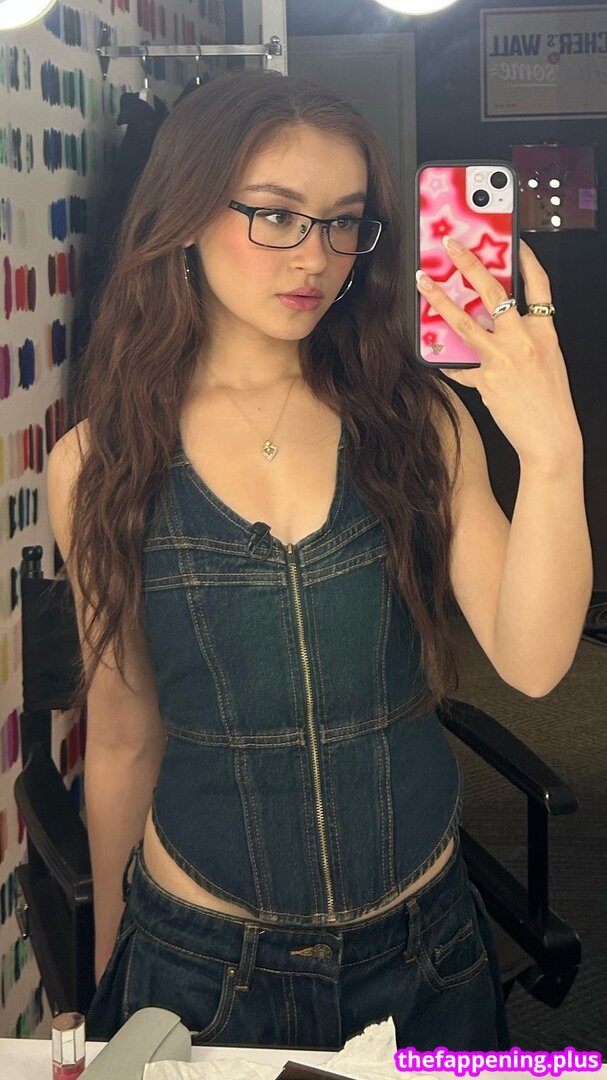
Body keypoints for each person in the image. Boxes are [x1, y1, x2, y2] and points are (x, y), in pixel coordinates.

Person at [46, 69, 592, 1051]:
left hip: (426, 952)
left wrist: (552, 452)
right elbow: (122, 738)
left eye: (343, 222)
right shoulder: (99, 462)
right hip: (199, 964)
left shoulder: (417, 419)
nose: (316, 256)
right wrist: (111, 972)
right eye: (275, 215)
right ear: (185, 213)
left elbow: (535, 661)